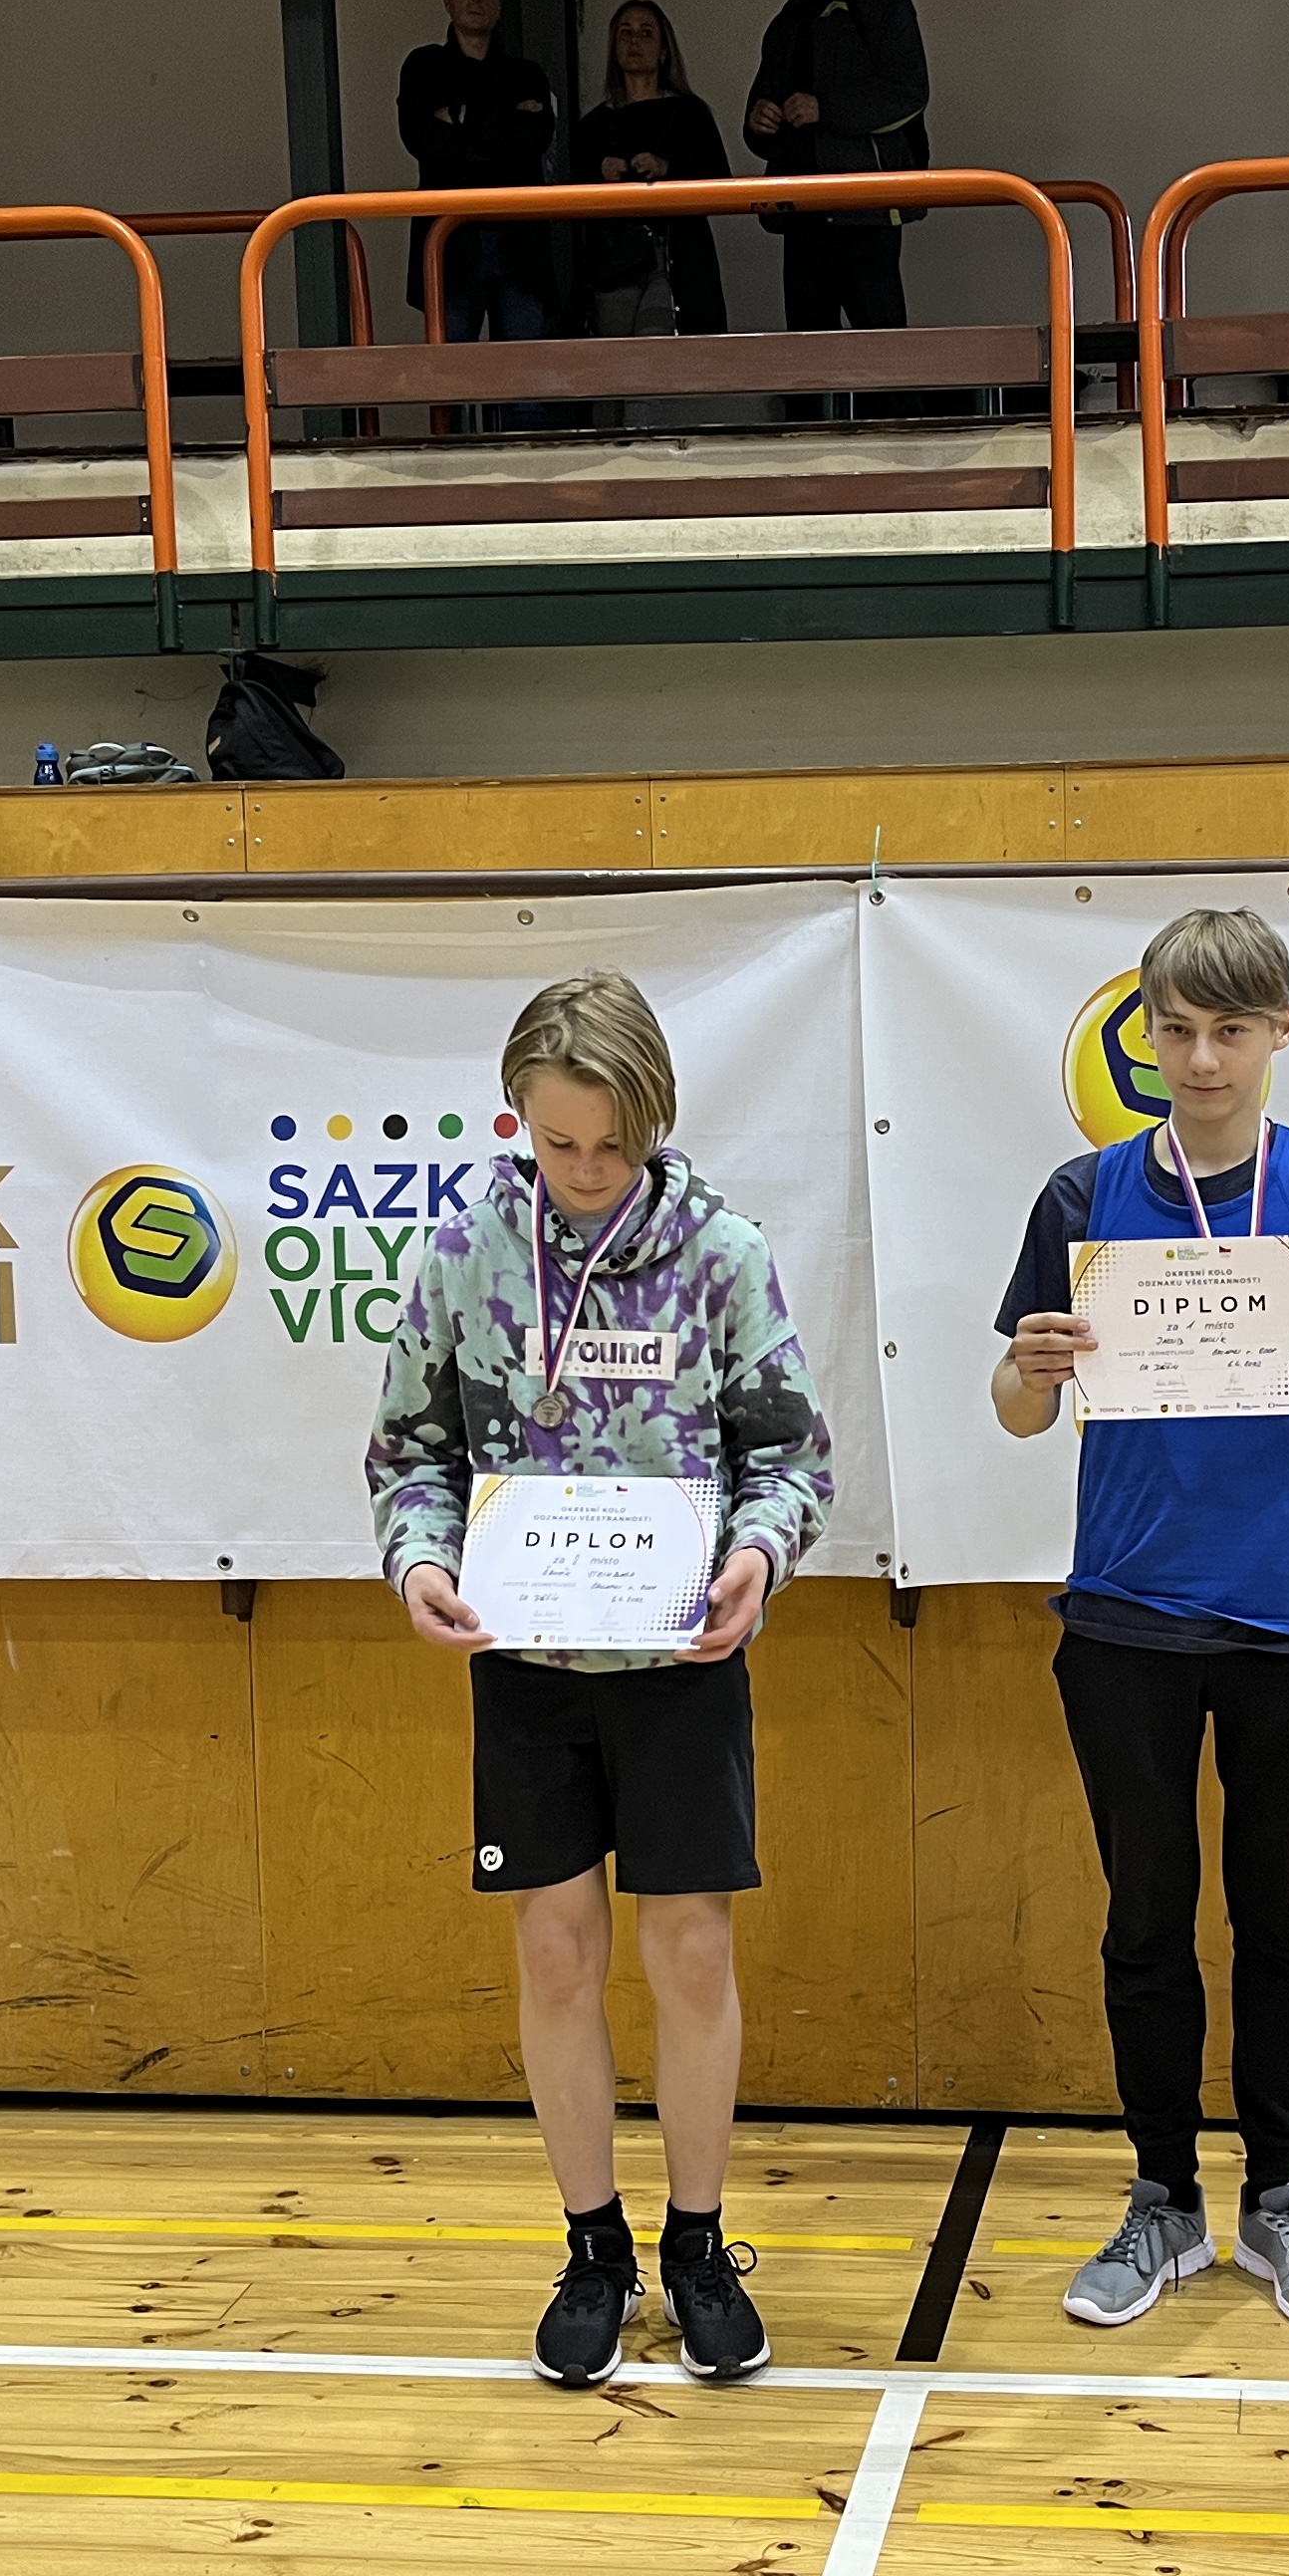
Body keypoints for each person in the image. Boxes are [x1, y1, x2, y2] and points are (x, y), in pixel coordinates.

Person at [372, 971, 831, 2392]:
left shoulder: (724, 1256)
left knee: (690, 1954)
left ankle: (697, 2245)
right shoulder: (464, 1253)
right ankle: (593, 2249)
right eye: (558, 1141)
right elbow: (410, 1452)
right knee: (558, 1955)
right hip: (528, 1663)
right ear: (520, 1119)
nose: (584, 1170)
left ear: (656, 1120)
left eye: (612, 1145)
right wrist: (419, 1563)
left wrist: (756, 1556)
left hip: (681, 1659)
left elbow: (791, 1456)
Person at [991, 909, 1289, 2335]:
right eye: (1176, 1031)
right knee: (1144, 1923)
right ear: (1148, 1036)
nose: (1200, 1059)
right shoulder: (1082, 1193)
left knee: (1282, 1926)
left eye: (1229, 1031)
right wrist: (1030, 1368)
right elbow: (1016, 1410)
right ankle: (1163, 2197)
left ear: (1279, 1031)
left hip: (1288, 1618)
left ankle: (1279, 2197)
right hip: (1125, 1614)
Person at [745, 0, 930, 342]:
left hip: (864, 208)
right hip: (801, 214)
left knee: (882, 353)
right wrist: (758, 120)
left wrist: (824, 109)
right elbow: (761, 126)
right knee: (809, 356)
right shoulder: (785, 22)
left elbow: (908, 90)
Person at [399, 0, 562, 348]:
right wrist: (504, 121)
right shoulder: (423, 66)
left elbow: (535, 138)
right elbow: (422, 140)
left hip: (520, 246)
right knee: (450, 376)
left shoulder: (527, 74)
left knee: (524, 376)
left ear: (500, 2)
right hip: (450, 246)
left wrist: (459, 117)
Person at [576, 0, 732, 339]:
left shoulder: (690, 114)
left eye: (646, 33)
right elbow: (570, 198)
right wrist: (599, 174)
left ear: (663, 51)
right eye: (625, 33)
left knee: (665, 355)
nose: (635, 41)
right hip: (615, 265)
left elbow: (721, 185)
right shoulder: (593, 126)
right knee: (618, 360)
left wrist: (669, 169)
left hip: (680, 259)